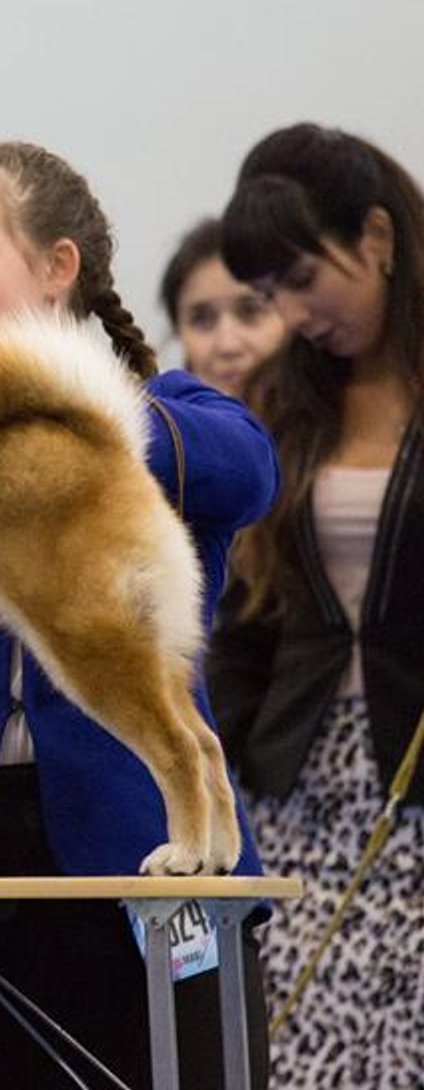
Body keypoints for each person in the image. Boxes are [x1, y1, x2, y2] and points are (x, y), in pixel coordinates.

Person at [0, 141, 280, 1090]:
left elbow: (249, 470)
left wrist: (65, 418)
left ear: (56, 266)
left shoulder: (170, 413)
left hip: (146, 886)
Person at [205, 122, 424, 1088]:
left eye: (305, 278)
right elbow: (243, 605)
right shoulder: (280, 402)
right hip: (298, 790)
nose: (293, 314)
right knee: (293, 1056)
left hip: (412, 780)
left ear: (377, 237)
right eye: (273, 294)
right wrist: (239, 749)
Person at [158, 216, 286, 398]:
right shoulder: (152, 424)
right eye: (201, 319)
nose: (228, 346)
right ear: (178, 331)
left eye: (250, 311)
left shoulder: (338, 422)